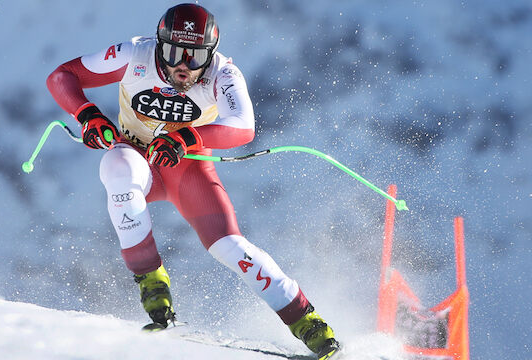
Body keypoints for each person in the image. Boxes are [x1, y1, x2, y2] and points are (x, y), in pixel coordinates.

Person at [46, 3, 340, 359]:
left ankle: (307, 321)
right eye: (172, 53)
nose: (182, 66)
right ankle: (152, 282)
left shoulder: (223, 74)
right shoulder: (134, 54)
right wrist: (88, 114)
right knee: (117, 166)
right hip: (138, 157)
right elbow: (62, 76)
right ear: (158, 45)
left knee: (229, 247)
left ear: (211, 54)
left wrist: (187, 138)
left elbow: (243, 126)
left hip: (185, 169)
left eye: (195, 57)